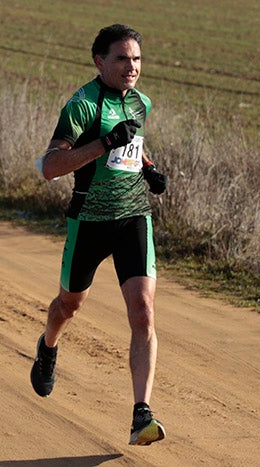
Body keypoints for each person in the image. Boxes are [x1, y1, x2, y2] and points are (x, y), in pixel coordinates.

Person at [30, 24, 169, 446]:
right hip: (89, 220)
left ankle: (141, 414)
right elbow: (50, 166)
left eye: (138, 59)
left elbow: (133, 142)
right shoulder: (82, 104)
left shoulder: (141, 102)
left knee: (143, 312)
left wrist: (148, 169)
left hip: (133, 218)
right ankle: (48, 345)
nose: (132, 67)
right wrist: (105, 142)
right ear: (100, 62)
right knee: (67, 307)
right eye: (123, 58)